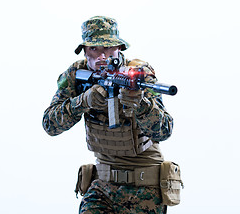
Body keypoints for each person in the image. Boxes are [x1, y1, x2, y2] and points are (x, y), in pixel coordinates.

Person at [42, 16, 174, 214]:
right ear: (84, 50)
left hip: (144, 186)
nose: (101, 56)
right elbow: (50, 125)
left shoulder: (139, 74)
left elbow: (164, 130)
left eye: (108, 48)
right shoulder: (76, 74)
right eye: (94, 49)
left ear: (119, 48)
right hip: (102, 185)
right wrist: (83, 101)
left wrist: (141, 105)